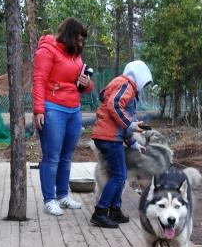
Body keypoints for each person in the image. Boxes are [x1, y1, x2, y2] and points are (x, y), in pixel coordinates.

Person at [32, 17, 93, 216]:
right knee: (52, 157)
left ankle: (63, 196)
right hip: (53, 108)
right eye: (79, 37)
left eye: (83, 39)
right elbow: (39, 80)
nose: (82, 42)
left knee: (66, 157)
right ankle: (49, 199)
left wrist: (86, 83)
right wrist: (39, 109)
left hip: (73, 109)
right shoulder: (47, 50)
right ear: (70, 34)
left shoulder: (75, 56)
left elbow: (84, 87)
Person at [90, 60, 152, 228]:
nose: (143, 86)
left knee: (121, 175)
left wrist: (133, 143)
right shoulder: (126, 85)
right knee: (118, 176)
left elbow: (121, 123)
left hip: (110, 136)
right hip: (109, 137)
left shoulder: (125, 87)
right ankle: (100, 212)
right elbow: (114, 106)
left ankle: (115, 210)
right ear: (138, 75)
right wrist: (131, 125)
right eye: (144, 82)